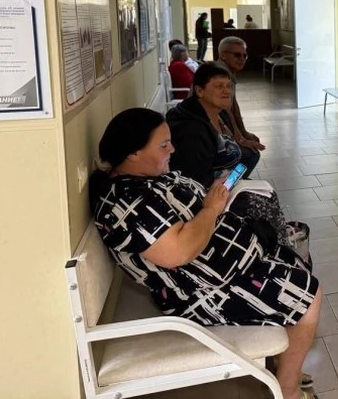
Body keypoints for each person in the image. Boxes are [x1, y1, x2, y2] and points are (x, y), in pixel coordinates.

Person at [89, 108, 321, 399]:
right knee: (309, 294)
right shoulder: (127, 204)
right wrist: (211, 209)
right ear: (133, 153)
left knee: (295, 261)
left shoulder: (142, 179)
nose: (172, 149)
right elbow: (179, 252)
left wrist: (213, 199)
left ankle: (287, 366)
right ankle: (288, 388)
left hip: (223, 269)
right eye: (163, 145)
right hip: (203, 292)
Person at [166, 63, 254, 188]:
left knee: (252, 156)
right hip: (208, 191)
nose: (227, 91)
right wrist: (230, 186)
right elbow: (196, 182)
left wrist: (234, 180)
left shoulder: (220, 112)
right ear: (199, 91)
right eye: (219, 86)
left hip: (226, 181)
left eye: (228, 86)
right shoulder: (190, 130)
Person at [217, 36, 266, 168]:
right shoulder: (220, 74)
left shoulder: (227, 72)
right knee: (250, 155)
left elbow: (233, 107)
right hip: (208, 134)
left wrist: (243, 132)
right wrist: (239, 139)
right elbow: (225, 111)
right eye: (237, 55)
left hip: (216, 129)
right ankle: (231, 181)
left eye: (245, 55)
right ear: (223, 55)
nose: (242, 59)